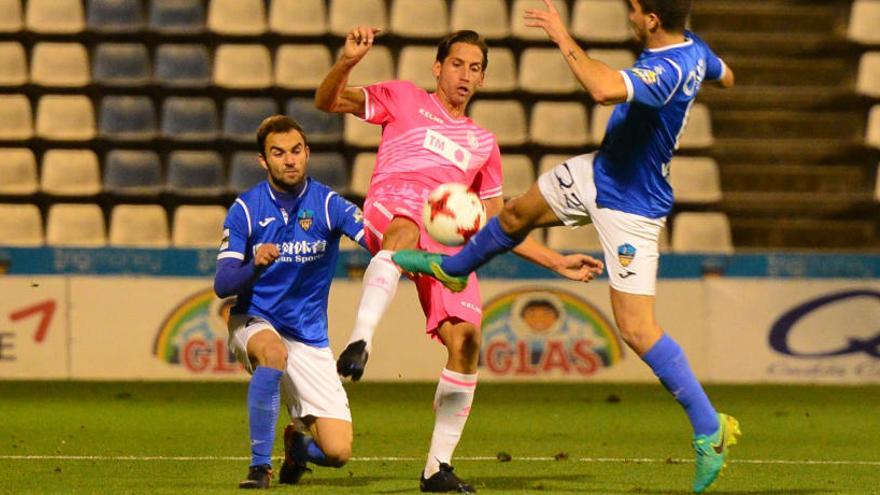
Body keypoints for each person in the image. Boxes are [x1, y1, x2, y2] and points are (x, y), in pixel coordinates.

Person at [393, 1, 741, 493]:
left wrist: (561, 34)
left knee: (637, 329)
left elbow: (601, 88)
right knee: (513, 215)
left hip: (633, 207)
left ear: (651, 19)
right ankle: (454, 268)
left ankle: (710, 428)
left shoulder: (667, 67)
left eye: (635, 10)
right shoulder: (694, 50)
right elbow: (726, 75)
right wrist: (710, 75)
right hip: (599, 172)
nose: (629, 15)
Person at [315, 27, 604, 493]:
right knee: (405, 228)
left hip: (446, 237)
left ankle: (436, 469)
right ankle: (360, 342)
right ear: (437, 67)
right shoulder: (403, 98)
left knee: (468, 342)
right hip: (394, 208)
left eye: (475, 69)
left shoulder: (483, 144)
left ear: (484, 80)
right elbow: (328, 101)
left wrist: (554, 261)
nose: (465, 75)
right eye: (457, 64)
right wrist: (347, 62)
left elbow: (499, 224)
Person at [214, 115, 367, 489]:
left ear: (307, 153)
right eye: (278, 153)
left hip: (309, 336)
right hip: (255, 319)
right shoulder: (246, 209)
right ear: (263, 161)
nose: (290, 160)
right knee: (273, 353)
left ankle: (298, 449)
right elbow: (223, 284)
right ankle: (259, 467)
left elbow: (376, 242)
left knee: (338, 452)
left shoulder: (330, 204)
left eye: (296, 151)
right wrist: (254, 265)